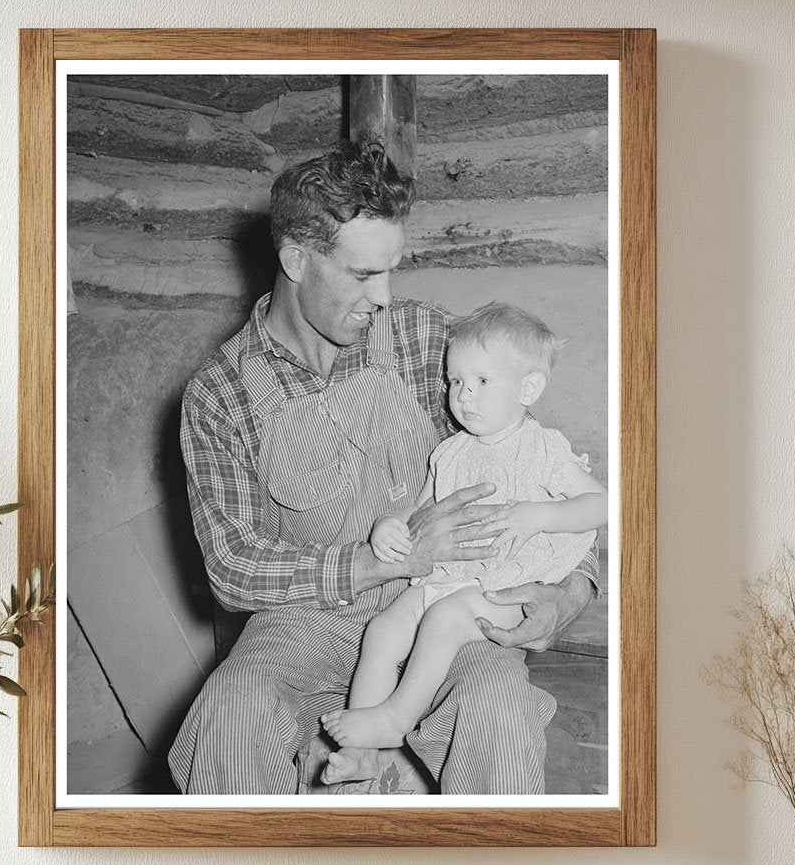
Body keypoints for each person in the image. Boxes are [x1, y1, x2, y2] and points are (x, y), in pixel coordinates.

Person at [167, 141, 599, 795]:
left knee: (498, 711)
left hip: (444, 610)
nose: (386, 295)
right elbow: (233, 568)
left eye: (393, 269)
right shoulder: (221, 393)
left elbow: (546, 465)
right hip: (306, 620)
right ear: (297, 259)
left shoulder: (429, 341)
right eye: (365, 275)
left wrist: (571, 593)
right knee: (229, 711)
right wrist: (382, 561)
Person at [320, 303, 607, 783]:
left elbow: (601, 504)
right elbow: (424, 509)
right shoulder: (450, 451)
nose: (463, 396)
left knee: (445, 619)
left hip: (511, 588)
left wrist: (541, 515)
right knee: (385, 629)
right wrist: (392, 524)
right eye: (455, 382)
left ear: (528, 388)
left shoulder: (543, 450)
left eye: (482, 382)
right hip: (452, 577)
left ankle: (396, 717)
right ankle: (365, 749)